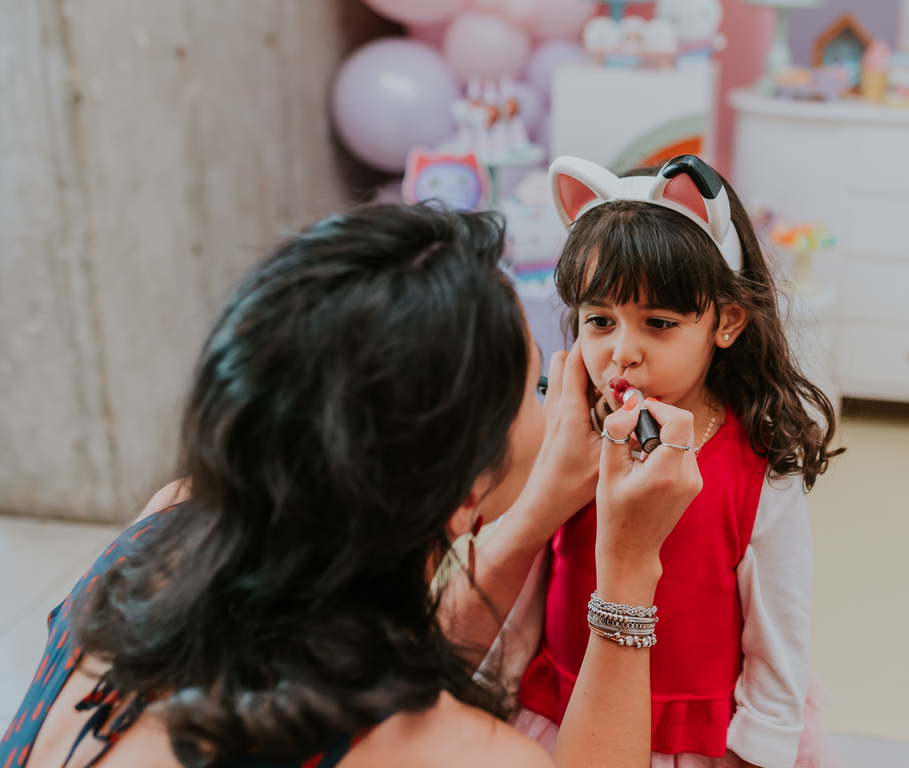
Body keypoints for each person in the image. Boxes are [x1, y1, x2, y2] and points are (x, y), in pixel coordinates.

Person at [0, 204, 703, 768]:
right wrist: (628, 572)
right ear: (462, 496)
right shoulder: (453, 753)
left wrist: (532, 512)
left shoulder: (167, 524)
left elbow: (381, 645)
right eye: (539, 387)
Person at [509, 155, 843, 768]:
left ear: (727, 321)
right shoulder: (570, 437)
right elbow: (527, 585)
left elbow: (779, 644)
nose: (621, 354)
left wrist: (758, 750)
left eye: (658, 323)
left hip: (695, 744)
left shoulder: (757, 469)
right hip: (567, 721)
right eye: (599, 321)